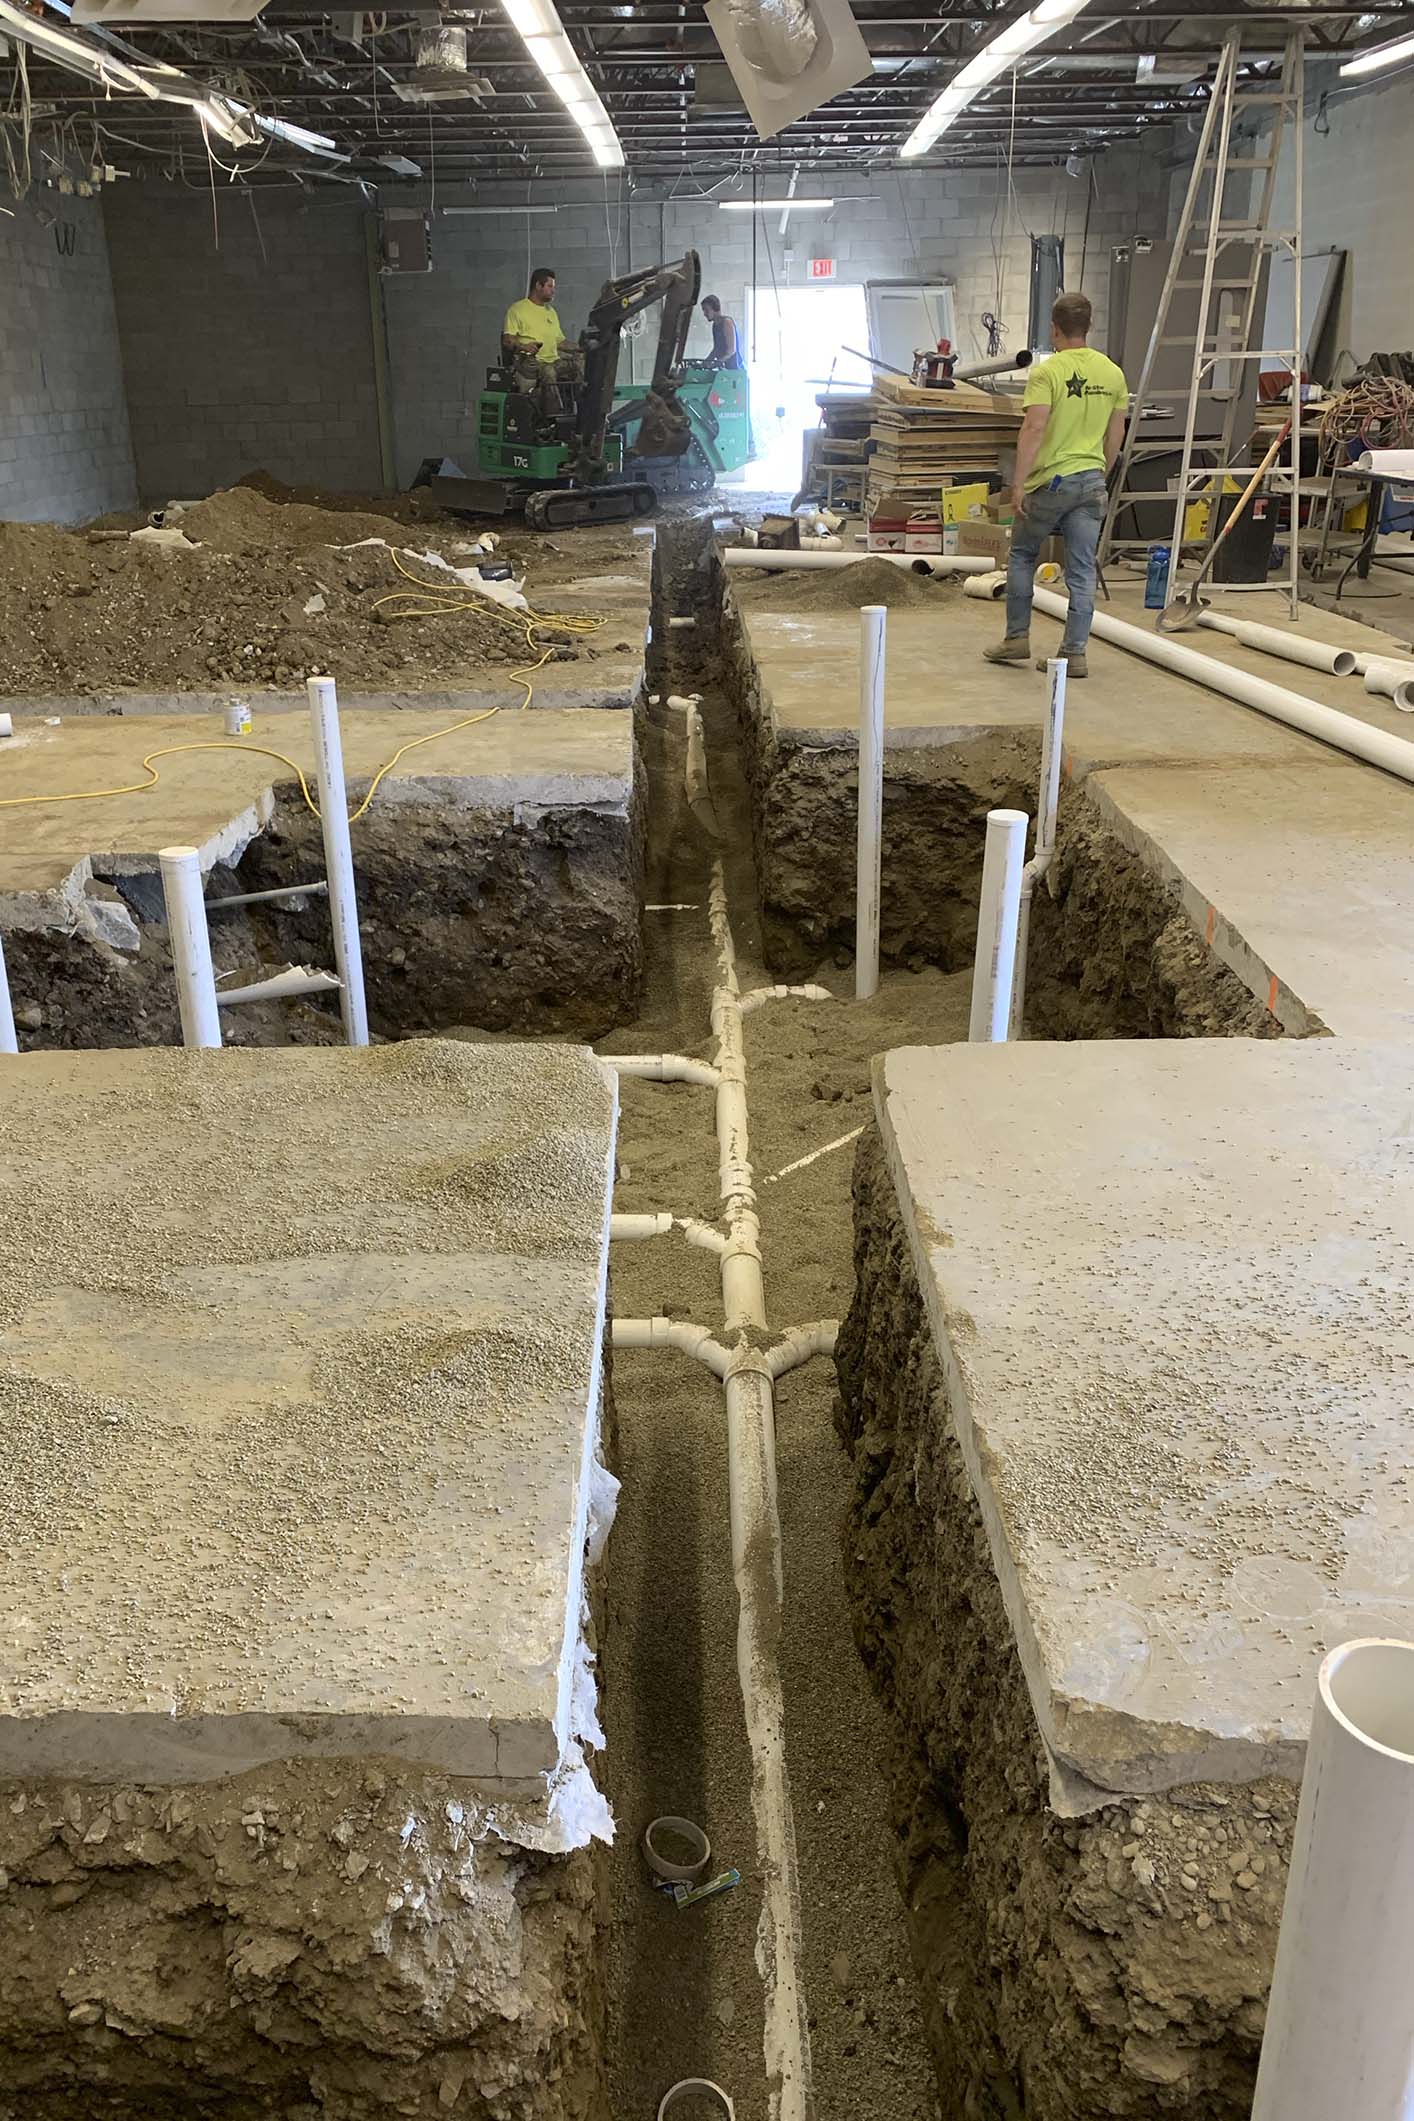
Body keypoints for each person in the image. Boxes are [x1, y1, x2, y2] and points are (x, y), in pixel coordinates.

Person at [983, 290, 1128, 679]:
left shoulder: (1046, 372)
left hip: (1051, 481)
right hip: (1091, 481)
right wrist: (1102, 472)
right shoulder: (1112, 373)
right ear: (1088, 326)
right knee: (1081, 570)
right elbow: (1117, 432)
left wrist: (1018, 484)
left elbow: (1034, 427)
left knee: (1023, 555)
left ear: (1054, 328)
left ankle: (1016, 638)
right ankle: (1074, 655)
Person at [503, 267, 566, 366]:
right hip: (531, 363)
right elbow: (507, 340)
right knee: (549, 373)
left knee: (579, 365)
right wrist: (524, 347)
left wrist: (582, 347)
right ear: (538, 286)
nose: (553, 291)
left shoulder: (551, 312)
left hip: (553, 362)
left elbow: (560, 342)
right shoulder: (517, 309)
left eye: (553, 287)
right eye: (550, 286)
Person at [701, 294, 745, 371]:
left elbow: (731, 350)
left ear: (715, 309)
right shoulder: (715, 325)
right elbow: (716, 349)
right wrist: (705, 363)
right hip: (724, 368)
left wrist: (715, 363)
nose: (704, 314)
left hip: (735, 369)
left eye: (706, 310)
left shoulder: (727, 322)